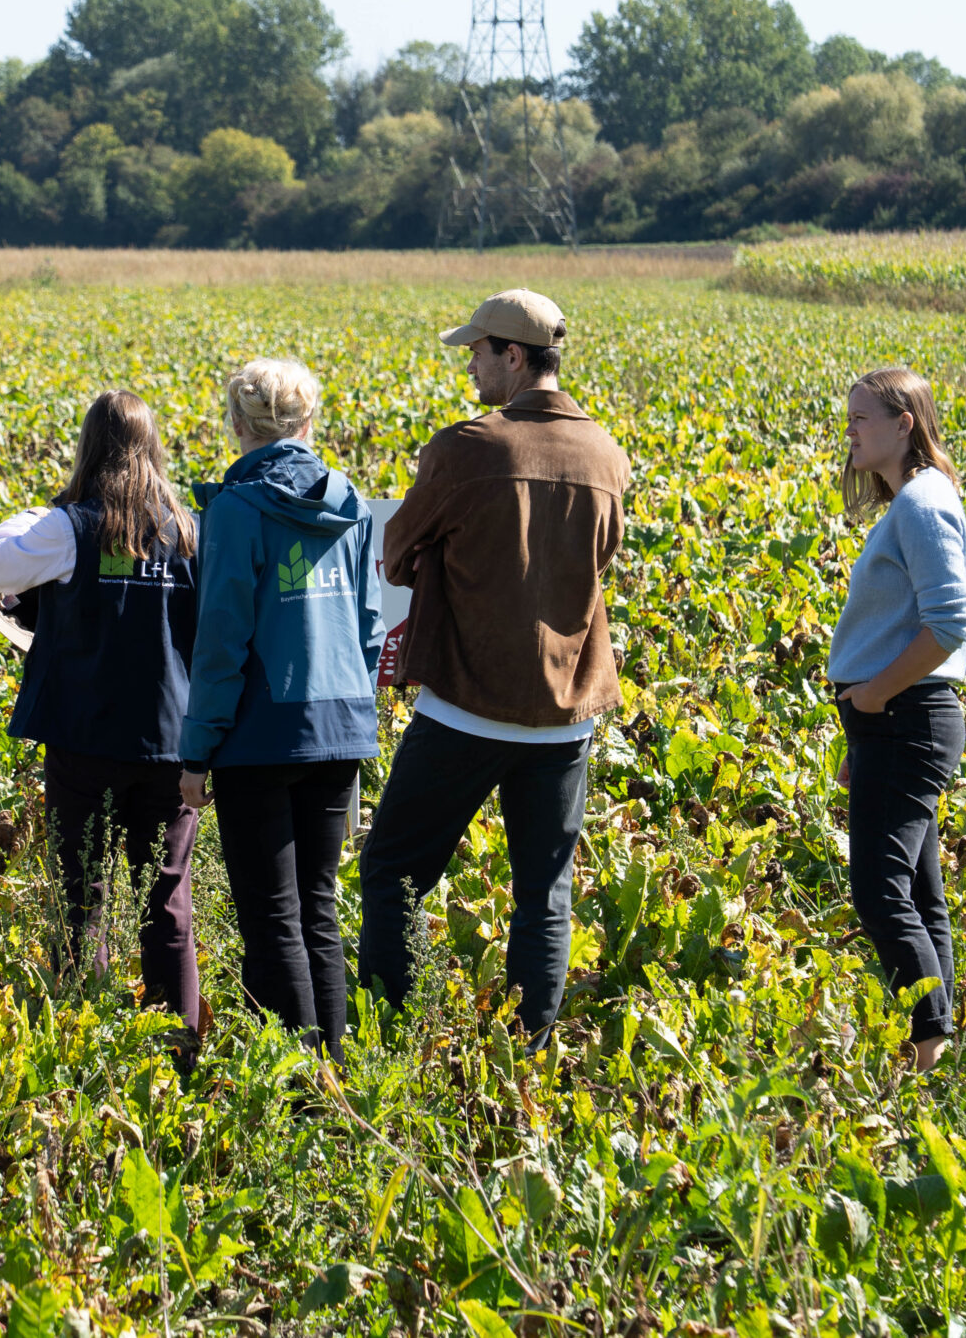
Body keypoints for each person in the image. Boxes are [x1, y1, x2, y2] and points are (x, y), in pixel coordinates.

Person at [358, 290, 630, 1049]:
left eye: (477, 350)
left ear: (514, 355)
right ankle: (529, 1053)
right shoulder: (608, 454)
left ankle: (390, 1034)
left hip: (465, 706)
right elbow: (599, 563)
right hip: (566, 710)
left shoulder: (467, 446)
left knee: (392, 872)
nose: (470, 363)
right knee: (543, 892)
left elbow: (397, 552)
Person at [0, 391, 203, 1042]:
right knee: (167, 902)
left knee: (83, 895)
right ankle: (178, 1050)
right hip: (168, 741)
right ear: (152, 447)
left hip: (85, 737)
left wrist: (34, 511)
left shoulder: (70, 526)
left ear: (90, 447)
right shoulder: (185, 528)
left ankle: (86, 1039)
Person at [177, 359, 382, 1056]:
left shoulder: (234, 512)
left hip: (260, 735)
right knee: (319, 911)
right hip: (341, 728)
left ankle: (297, 1089)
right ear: (307, 423)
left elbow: (221, 642)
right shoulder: (349, 499)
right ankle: (337, 1072)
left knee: (272, 916)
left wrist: (196, 750)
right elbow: (369, 625)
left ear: (237, 427)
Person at [830, 366, 966, 1073]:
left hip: (906, 714)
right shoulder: (916, 499)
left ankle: (927, 1046)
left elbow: (949, 623)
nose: (850, 431)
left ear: (903, 425)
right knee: (919, 891)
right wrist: (863, 719)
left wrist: (877, 694)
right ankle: (935, 1061)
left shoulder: (921, 501)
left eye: (862, 418)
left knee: (880, 889)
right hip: (893, 720)